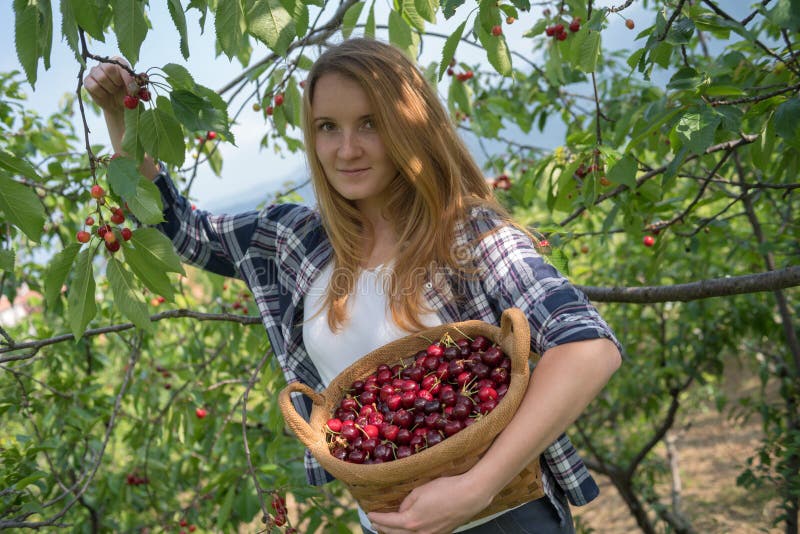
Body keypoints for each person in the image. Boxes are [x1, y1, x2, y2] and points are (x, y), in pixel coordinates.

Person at [85, 37, 622, 534]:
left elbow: (588, 348)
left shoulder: (466, 236)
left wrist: (474, 487)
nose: (346, 149)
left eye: (370, 123)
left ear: (410, 126)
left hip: (502, 519)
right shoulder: (295, 240)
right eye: (328, 127)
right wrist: (120, 114)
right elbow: (179, 228)